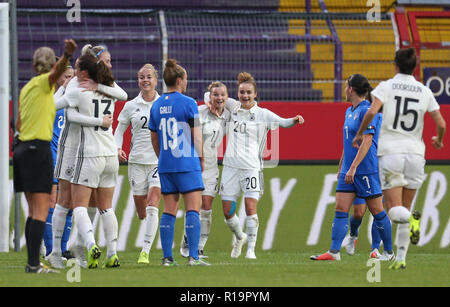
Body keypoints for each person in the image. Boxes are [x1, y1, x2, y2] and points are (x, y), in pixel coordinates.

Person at [352, 48, 446, 269]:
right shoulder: (424, 91)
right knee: (405, 205)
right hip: (416, 154)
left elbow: (371, 112)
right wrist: (439, 141)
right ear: (415, 67)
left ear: (395, 65)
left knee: (394, 210)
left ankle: (412, 219)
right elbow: (441, 123)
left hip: (392, 153)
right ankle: (401, 258)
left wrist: (360, 132)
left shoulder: (386, 87)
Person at [48, 45, 127, 269]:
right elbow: (122, 95)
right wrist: (99, 120)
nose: (72, 71)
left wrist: (62, 88)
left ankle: (83, 247)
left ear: (83, 70)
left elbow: (57, 107)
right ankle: (108, 252)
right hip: (99, 151)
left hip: (84, 152)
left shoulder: (79, 87)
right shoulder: (104, 87)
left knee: (75, 203)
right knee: (98, 205)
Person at [218, 72, 304, 259]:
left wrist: (294, 120)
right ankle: (239, 237)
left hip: (251, 168)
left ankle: (251, 249)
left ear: (255, 94)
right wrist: (222, 96)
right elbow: (211, 96)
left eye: (249, 92)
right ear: (237, 93)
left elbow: (283, 122)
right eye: (242, 92)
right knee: (227, 212)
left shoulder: (263, 114)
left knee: (250, 208)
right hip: (230, 167)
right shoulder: (232, 107)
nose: (245, 96)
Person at [311, 74, 393, 261]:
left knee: (377, 211)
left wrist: (354, 167)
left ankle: (388, 252)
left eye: (346, 86)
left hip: (365, 169)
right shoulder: (349, 111)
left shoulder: (367, 111)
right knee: (340, 208)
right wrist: (342, 165)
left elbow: (367, 141)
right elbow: (348, 143)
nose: (344, 89)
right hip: (348, 169)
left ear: (351, 89)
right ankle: (334, 252)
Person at [13, 39, 77, 274]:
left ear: (32, 66)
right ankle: (33, 264)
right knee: (41, 211)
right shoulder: (44, 84)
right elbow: (56, 74)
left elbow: (17, 123)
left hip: (21, 149)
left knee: (33, 211)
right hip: (37, 150)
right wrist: (68, 54)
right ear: (52, 67)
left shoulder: (27, 87)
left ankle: (32, 263)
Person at [149, 59, 209, 266]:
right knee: (193, 208)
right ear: (181, 80)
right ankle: (193, 257)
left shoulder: (156, 106)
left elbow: (154, 138)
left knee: (169, 209)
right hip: (186, 162)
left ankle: (167, 258)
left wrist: (162, 157)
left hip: (166, 164)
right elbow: (197, 136)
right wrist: (201, 157)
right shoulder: (189, 103)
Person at [114, 64, 162, 264]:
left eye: (149, 77)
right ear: (138, 80)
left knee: (153, 203)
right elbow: (118, 130)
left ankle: (145, 252)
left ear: (156, 80)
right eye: (142, 77)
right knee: (142, 211)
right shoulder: (131, 105)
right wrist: (117, 148)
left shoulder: (164, 104)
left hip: (158, 162)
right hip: (136, 162)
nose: (145, 80)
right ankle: (147, 236)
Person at [179, 81, 231, 259]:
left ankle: (200, 247)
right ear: (210, 96)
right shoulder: (200, 112)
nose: (219, 98)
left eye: (222, 94)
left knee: (207, 208)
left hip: (211, 168)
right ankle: (187, 240)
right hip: (194, 165)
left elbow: (242, 106)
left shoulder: (229, 116)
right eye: (215, 94)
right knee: (195, 207)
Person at [43, 64, 74, 259]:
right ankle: (49, 250)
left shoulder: (75, 100)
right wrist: (63, 88)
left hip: (71, 158)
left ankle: (62, 249)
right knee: (52, 203)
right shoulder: (52, 101)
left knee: (69, 204)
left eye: (72, 76)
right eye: (65, 77)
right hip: (53, 156)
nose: (69, 80)